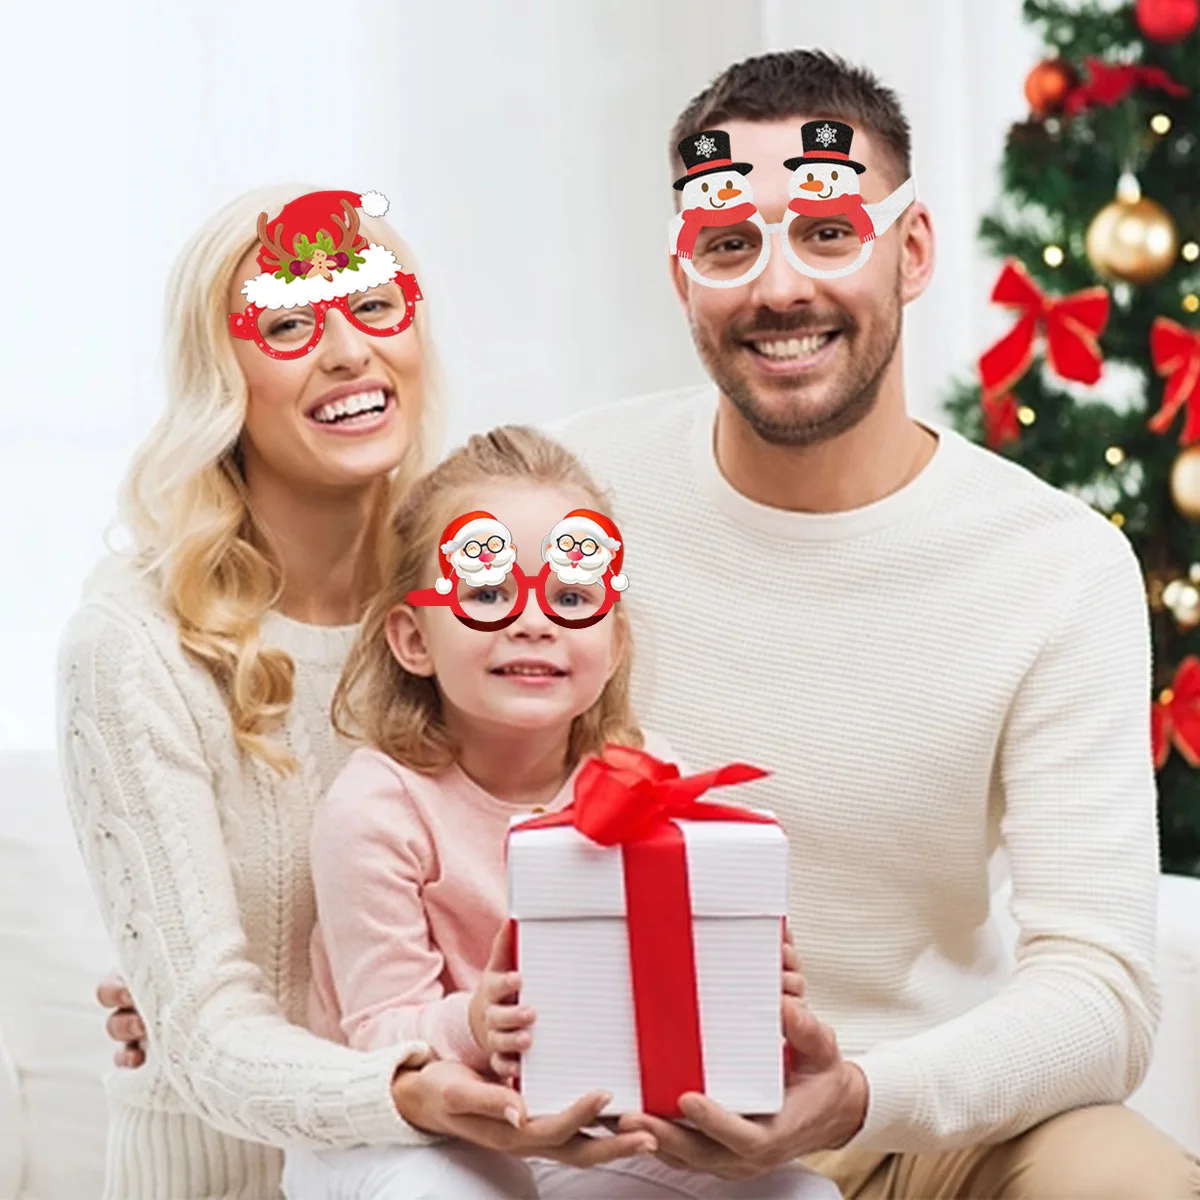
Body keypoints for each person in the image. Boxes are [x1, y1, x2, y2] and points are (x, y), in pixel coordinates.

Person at [98, 50, 1200, 1198]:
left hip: (918, 1116)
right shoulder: (572, 496)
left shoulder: (1057, 566)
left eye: (828, 232)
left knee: (1132, 1183)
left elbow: (1102, 992)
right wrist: (188, 988)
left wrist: (863, 1092)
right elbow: (381, 726)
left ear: (910, 250)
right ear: (683, 277)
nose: (779, 287)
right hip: (614, 1129)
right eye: (729, 245)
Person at [60, 186, 663, 1200]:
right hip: (230, 1177)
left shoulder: (485, 591)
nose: (347, 353)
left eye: (374, 307)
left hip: (484, 1158)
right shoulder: (133, 645)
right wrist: (192, 1011)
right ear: (222, 379)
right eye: (289, 324)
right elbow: (207, 1031)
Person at [276, 423, 842, 1199]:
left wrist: (745, 985)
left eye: (573, 596)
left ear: (610, 639)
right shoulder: (379, 807)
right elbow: (377, 1034)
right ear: (413, 638)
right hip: (405, 1129)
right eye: (486, 594)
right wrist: (472, 1025)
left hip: (591, 1120)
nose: (533, 620)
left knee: (801, 1195)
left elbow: (680, 972)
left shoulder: (649, 776)